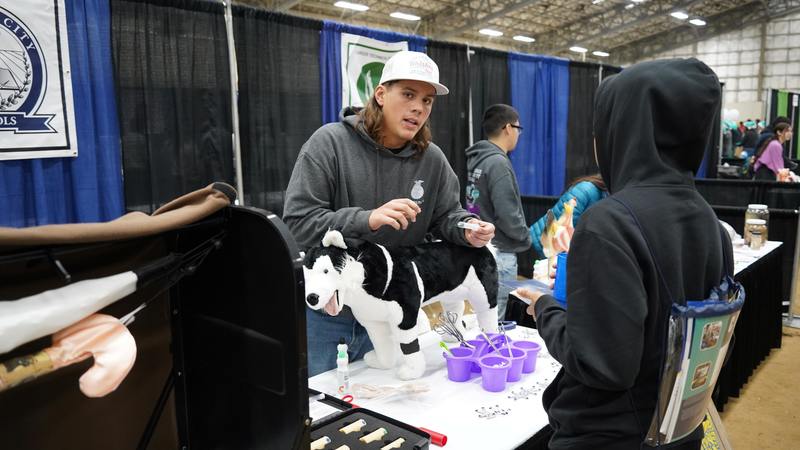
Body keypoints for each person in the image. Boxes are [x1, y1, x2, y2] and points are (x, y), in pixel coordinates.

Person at [515, 58, 730, 449]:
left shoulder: (610, 222)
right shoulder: (710, 223)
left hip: (608, 436)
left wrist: (545, 307)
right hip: (677, 431)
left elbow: (601, 364)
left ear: (625, 129)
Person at [283, 50, 496, 377]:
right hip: (328, 316)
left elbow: (447, 217)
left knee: (390, 406)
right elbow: (297, 225)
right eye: (408, 94)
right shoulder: (329, 144)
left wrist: (466, 228)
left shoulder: (433, 160)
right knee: (325, 408)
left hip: (392, 314)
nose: (418, 107)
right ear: (380, 94)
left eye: (427, 101)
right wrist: (365, 219)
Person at [464, 104, 531, 320]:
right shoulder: (498, 163)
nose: (518, 135)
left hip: (480, 248)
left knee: (483, 314)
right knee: (496, 317)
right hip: (499, 253)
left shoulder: (479, 160)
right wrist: (526, 237)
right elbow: (508, 215)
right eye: (518, 129)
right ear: (508, 128)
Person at [529, 174, 607, 260]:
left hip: (551, 245)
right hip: (540, 244)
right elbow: (563, 227)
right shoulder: (587, 189)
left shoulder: (601, 194)